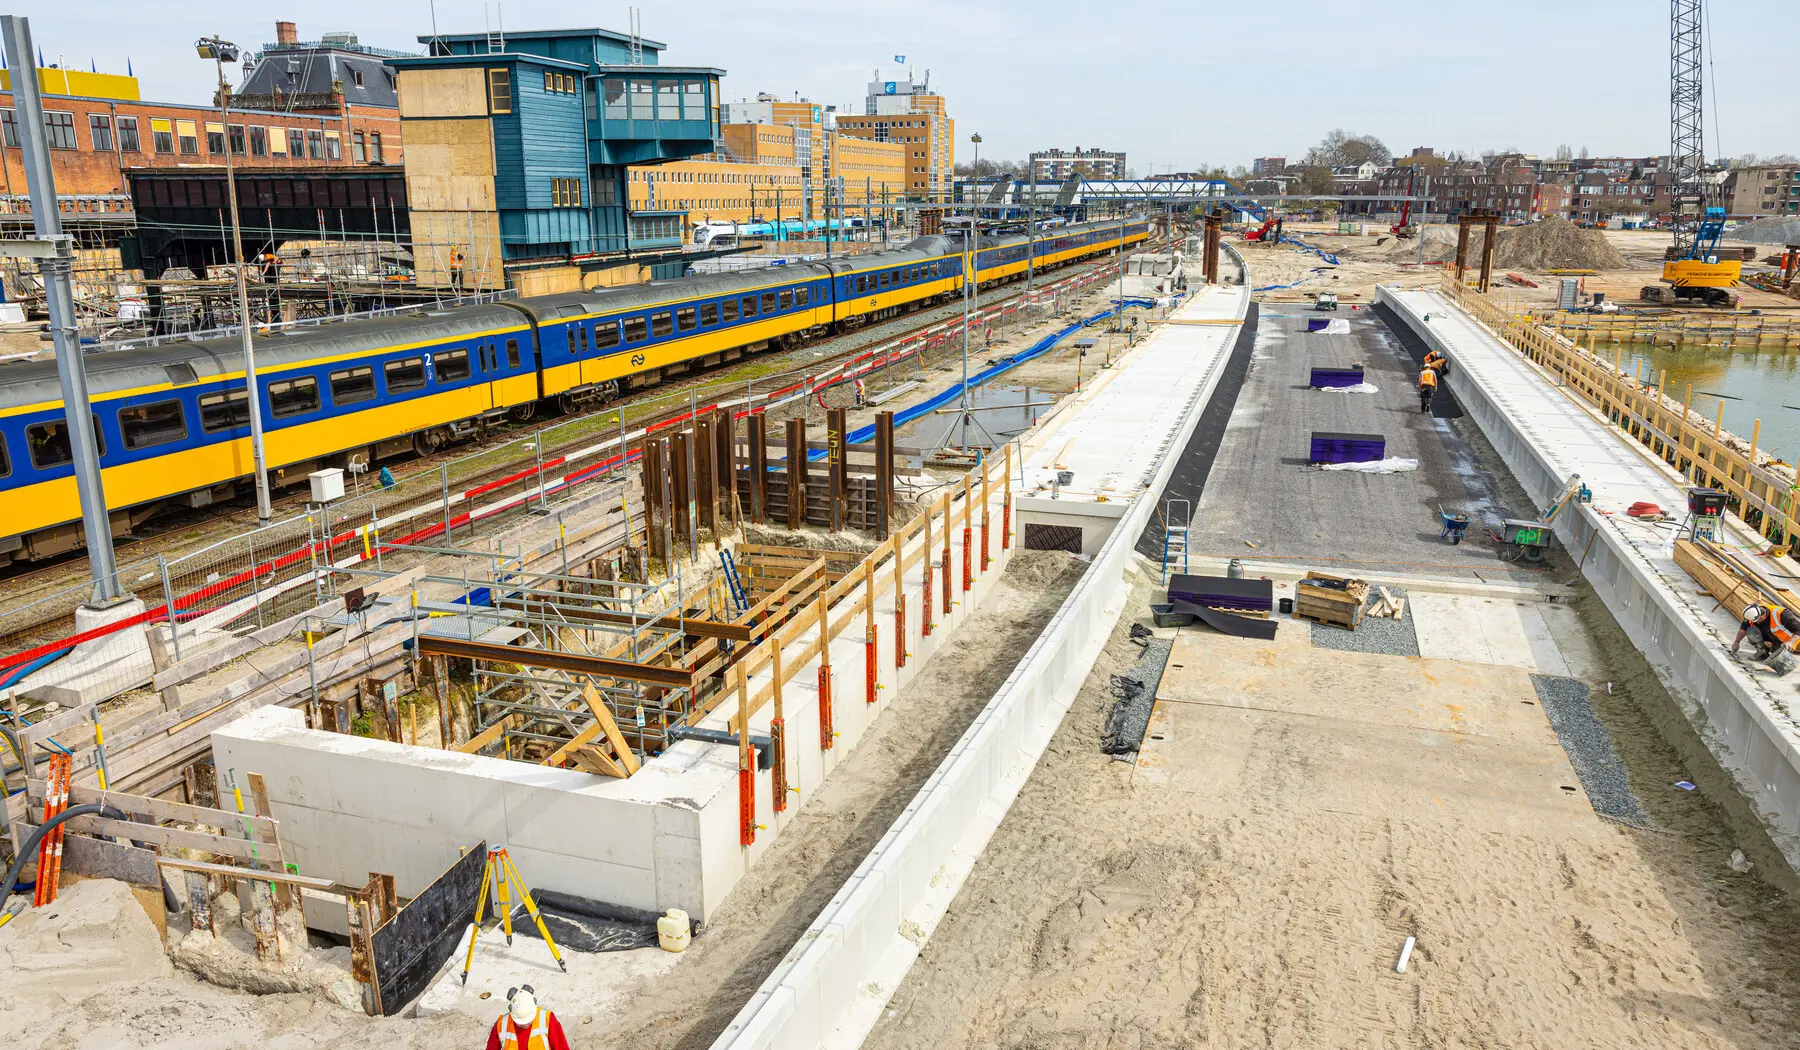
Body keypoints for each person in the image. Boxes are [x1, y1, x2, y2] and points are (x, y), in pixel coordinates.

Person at [485, 985, 570, 1050]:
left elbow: (562, 1047)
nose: (525, 1024)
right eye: (521, 1023)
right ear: (511, 1012)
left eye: (529, 1020)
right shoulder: (501, 1025)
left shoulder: (547, 1019)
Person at [1733, 604, 1800, 660]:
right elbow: (1744, 628)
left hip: (1786, 642)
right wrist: (1737, 642)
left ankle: (1777, 650)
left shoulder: (1781, 614)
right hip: (1770, 635)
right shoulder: (1753, 614)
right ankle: (1763, 652)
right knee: (1751, 630)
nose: (1756, 622)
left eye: (1756, 621)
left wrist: (1791, 642)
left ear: (1763, 616)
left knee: (1779, 660)